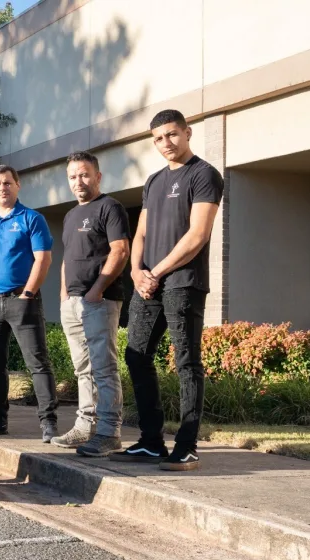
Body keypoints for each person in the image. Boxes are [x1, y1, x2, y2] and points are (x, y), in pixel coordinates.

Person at [111, 109, 224, 471]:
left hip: (183, 283)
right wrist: (136, 271)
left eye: (172, 134)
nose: (166, 143)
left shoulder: (204, 175)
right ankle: (150, 440)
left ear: (187, 133)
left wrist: (155, 272)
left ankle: (187, 445)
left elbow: (197, 235)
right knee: (136, 355)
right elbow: (140, 232)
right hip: (149, 284)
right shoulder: (154, 181)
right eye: (158, 138)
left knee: (187, 362)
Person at [0, 165, 59, 442]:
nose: (2, 188)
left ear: (17, 185)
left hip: (23, 301)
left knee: (37, 362)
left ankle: (49, 422)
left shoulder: (32, 218)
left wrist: (27, 294)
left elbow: (43, 258)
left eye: (7, 183)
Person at [50, 151, 131, 457]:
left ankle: (109, 432)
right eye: (73, 176)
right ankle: (85, 426)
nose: (78, 181)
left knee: (103, 368)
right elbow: (67, 258)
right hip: (72, 303)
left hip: (100, 301)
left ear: (98, 176)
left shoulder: (110, 207)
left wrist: (96, 289)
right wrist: (63, 294)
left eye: (84, 174)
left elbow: (120, 250)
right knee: (82, 368)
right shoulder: (71, 216)